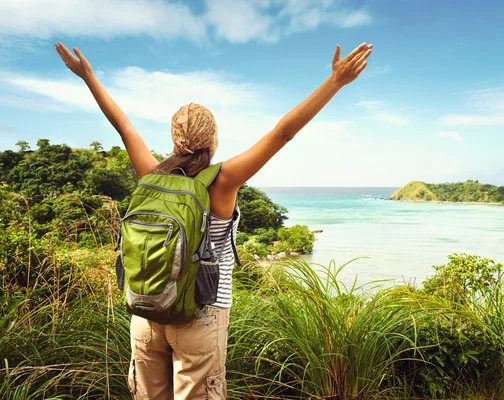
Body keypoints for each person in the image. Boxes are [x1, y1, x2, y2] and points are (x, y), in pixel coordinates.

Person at [55, 40, 372, 399]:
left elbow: (123, 126)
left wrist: (88, 76)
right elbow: (283, 132)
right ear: (213, 140)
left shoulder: (151, 175)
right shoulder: (222, 181)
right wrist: (334, 82)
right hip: (201, 317)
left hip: (146, 313)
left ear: (174, 140)